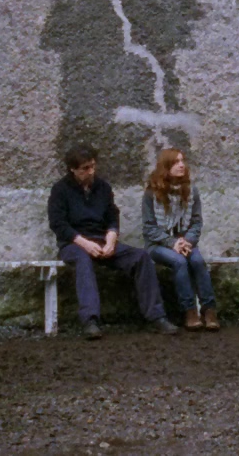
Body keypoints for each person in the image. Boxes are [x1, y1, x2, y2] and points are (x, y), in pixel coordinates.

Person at [47, 144, 179, 339]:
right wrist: (85, 244)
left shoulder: (103, 187)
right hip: (74, 244)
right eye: (85, 168)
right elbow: (59, 225)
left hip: (103, 241)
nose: (90, 172)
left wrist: (110, 239)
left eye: (92, 166)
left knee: (140, 257)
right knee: (83, 261)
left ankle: (157, 316)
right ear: (72, 169)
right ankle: (90, 321)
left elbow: (111, 216)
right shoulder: (60, 190)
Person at [142, 148, 219, 331]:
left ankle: (209, 310)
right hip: (159, 244)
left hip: (185, 242)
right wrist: (172, 243)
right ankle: (189, 311)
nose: (181, 165)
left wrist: (188, 241)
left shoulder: (192, 191)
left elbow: (196, 222)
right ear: (166, 167)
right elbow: (149, 228)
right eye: (176, 162)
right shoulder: (151, 194)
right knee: (179, 261)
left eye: (182, 161)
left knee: (198, 261)